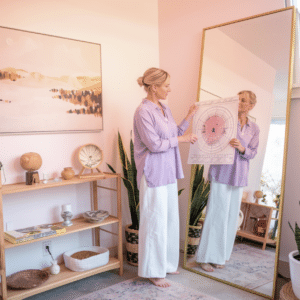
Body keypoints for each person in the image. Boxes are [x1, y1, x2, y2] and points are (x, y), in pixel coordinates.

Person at [133, 67, 198, 287]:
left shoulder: (164, 108)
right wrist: (183, 140)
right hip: (153, 174)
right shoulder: (143, 112)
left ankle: (168, 264)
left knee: (169, 221)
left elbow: (174, 135)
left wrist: (188, 117)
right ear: (154, 87)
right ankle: (153, 270)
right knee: (155, 222)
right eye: (167, 85)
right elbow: (154, 144)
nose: (170, 89)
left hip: (169, 172)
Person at [196, 90, 259, 272]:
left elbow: (253, 152)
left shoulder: (254, 129)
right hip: (221, 172)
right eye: (238, 99)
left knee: (231, 218)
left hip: (239, 175)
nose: (239, 102)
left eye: (243, 100)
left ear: (251, 106)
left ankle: (220, 256)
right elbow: (209, 139)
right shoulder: (224, 120)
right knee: (216, 215)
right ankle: (205, 257)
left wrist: (242, 148)